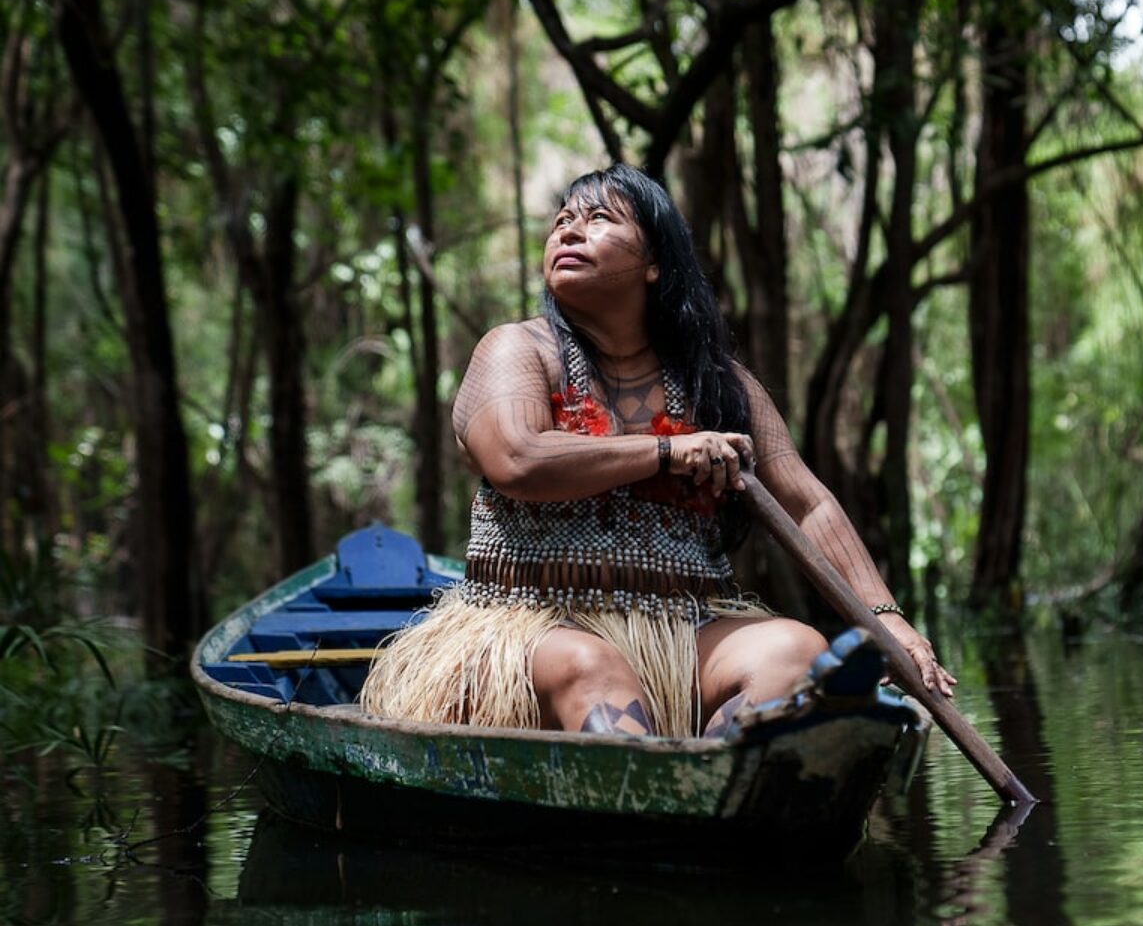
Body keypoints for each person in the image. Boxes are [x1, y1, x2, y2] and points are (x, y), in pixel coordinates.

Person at [361, 164, 953, 738]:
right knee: (590, 667)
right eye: (562, 220)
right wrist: (666, 452)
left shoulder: (718, 386)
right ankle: (663, 792)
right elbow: (518, 459)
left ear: (653, 265)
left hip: (685, 631)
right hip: (531, 627)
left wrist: (885, 618)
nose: (568, 230)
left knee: (797, 651)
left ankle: (717, 781)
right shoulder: (516, 351)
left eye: (598, 219)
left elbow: (805, 504)